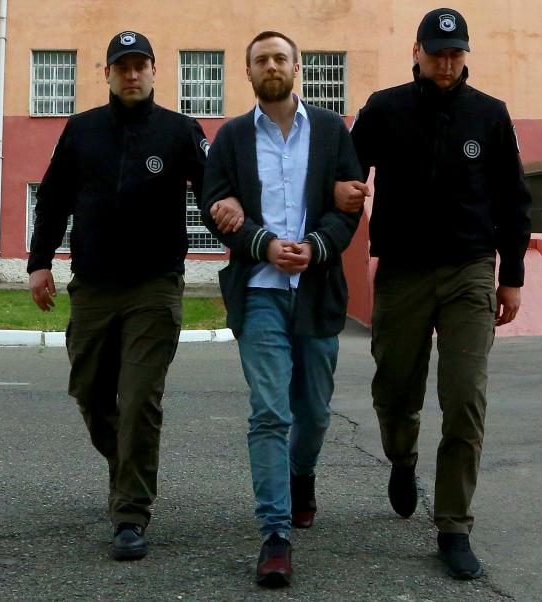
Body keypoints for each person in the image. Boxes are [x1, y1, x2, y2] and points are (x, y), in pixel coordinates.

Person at [346, 8, 532, 580]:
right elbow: (348, 170)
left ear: (465, 55)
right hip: (402, 271)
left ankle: (453, 524)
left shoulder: (490, 116)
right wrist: (342, 190)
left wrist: (513, 275)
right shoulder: (384, 108)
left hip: (470, 271)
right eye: (437, 52)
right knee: (395, 390)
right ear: (417, 52)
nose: (446, 62)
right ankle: (402, 459)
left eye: (455, 53)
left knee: (465, 398)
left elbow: (513, 201)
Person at [27, 30, 207, 562]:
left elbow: (216, 194)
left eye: (140, 66)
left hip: (154, 286)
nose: (132, 75)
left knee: (141, 399)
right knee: (88, 390)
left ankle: (130, 514)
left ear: (154, 71)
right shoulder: (81, 131)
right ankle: (127, 464)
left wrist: (245, 239)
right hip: (94, 286)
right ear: (106, 73)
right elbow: (54, 199)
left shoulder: (180, 131)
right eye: (121, 66)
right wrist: (39, 263)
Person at [200, 31, 365, 588]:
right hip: (259, 290)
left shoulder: (334, 132)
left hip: (317, 291)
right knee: (270, 412)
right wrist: (265, 243)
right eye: (260, 59)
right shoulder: (228, 139)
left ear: (298, 67)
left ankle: (301, 474)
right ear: (247, 72)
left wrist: (316, 246)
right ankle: (275, 535)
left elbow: (349, 207)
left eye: (280, 58)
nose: (271, 66)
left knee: (314, 412)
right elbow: (215, 206)